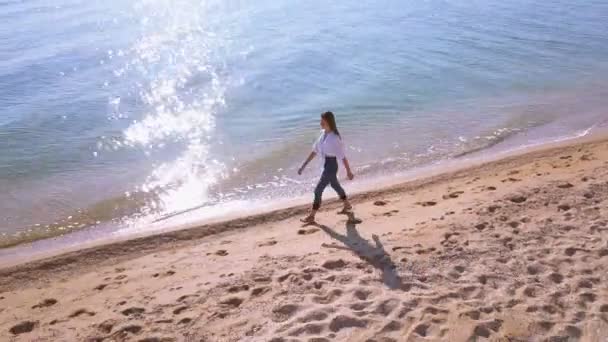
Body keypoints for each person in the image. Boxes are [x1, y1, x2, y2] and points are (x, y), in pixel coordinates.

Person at [298, 111, 354, 223]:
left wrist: (349, 171)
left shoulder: (335, 138)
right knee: (335, 185)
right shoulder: (323, 135)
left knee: (318, 190)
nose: (320, 123)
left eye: (322, 121)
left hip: (331, 166)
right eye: (321, 121)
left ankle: (312, 216)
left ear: (329, 122)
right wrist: (303, 166)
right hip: (326, 165)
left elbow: (343, 157)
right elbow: (314, 151)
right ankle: (347, 204)